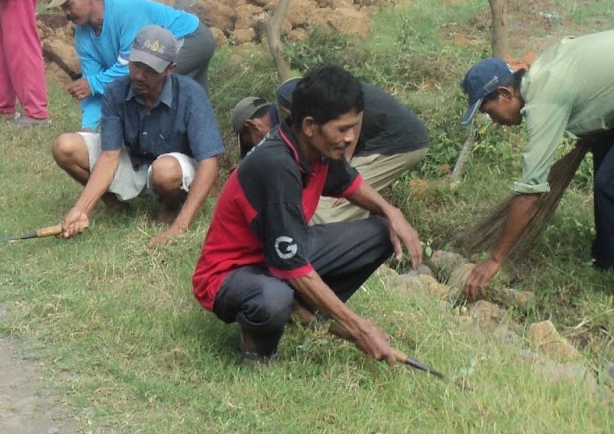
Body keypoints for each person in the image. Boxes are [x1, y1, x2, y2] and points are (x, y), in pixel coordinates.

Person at [193, 64, 424, 366]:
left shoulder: (319, 149)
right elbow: (292, 267)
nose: (350, 138)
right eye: (343, 129)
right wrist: (359, 328)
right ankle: (257, 344)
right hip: (232, 272)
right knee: (274, 298)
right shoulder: (277, 166)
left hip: (276, 258)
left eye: (354, 127)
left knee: (382, 232)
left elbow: (350, 184)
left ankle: (307, 310)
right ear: (310, 125)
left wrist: (392, 212)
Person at [459, 27, 614, 309]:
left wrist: (495, 259)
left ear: (505, 93)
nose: (494, 121)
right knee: (607, 162)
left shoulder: (544, 99)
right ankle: (608, 255)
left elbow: (529, 194)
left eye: (489, 111)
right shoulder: (542, 74)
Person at [52, 26, 224, 250]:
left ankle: (170, 207)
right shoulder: (116, 91)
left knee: (165, 171)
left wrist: (179, 228)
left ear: (170, 69)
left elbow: (209, 163)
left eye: (150, 70)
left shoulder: (191, 95)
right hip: (135, 159)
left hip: (174, 169)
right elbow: (109, 156)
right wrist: (81, 209)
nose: (139, 76)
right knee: (65, 146)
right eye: (136, 65)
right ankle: (116, 205)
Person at [231, 78, 430, 224]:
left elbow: (353, 107)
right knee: (345, 203)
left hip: (397, 139)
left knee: (325, 214)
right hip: (387, 138)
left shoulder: (287, 96)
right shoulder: (291, 125)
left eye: (252, 143)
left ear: (253, 125)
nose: (258, 147)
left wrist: (344, 160)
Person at [45, 0, 215, 130]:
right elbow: (92, 89)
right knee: (196, 103)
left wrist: (93, 84)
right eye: (63, 8)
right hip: (176, 45)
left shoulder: (124, 8)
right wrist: (87, 128)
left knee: (147, 82)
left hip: (190, 38)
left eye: (69, 5)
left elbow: (132, 67)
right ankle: (208, 141)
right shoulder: (82, 35)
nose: (66, 13)